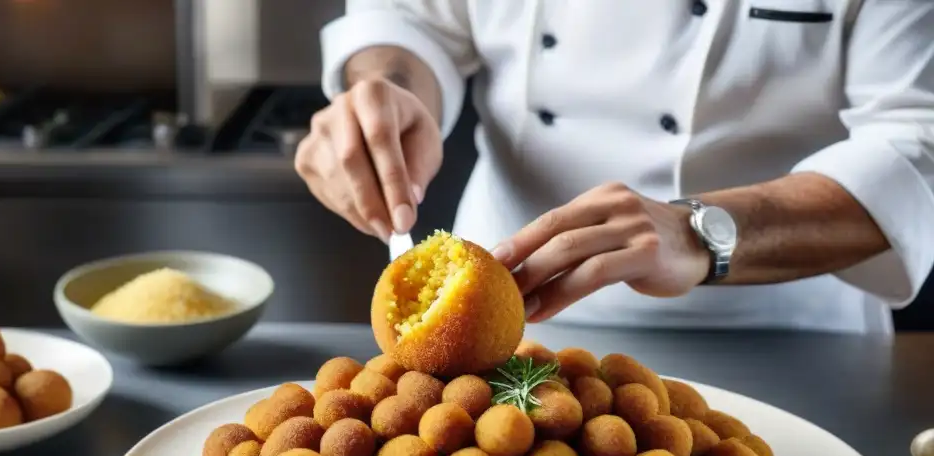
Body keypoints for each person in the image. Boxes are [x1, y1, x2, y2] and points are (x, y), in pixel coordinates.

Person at [294, 1, 934, 334]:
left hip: (790, 329)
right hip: (512, 318)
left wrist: (698, 233)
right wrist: (390, 87)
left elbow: (917, 144)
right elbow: (410, 17)